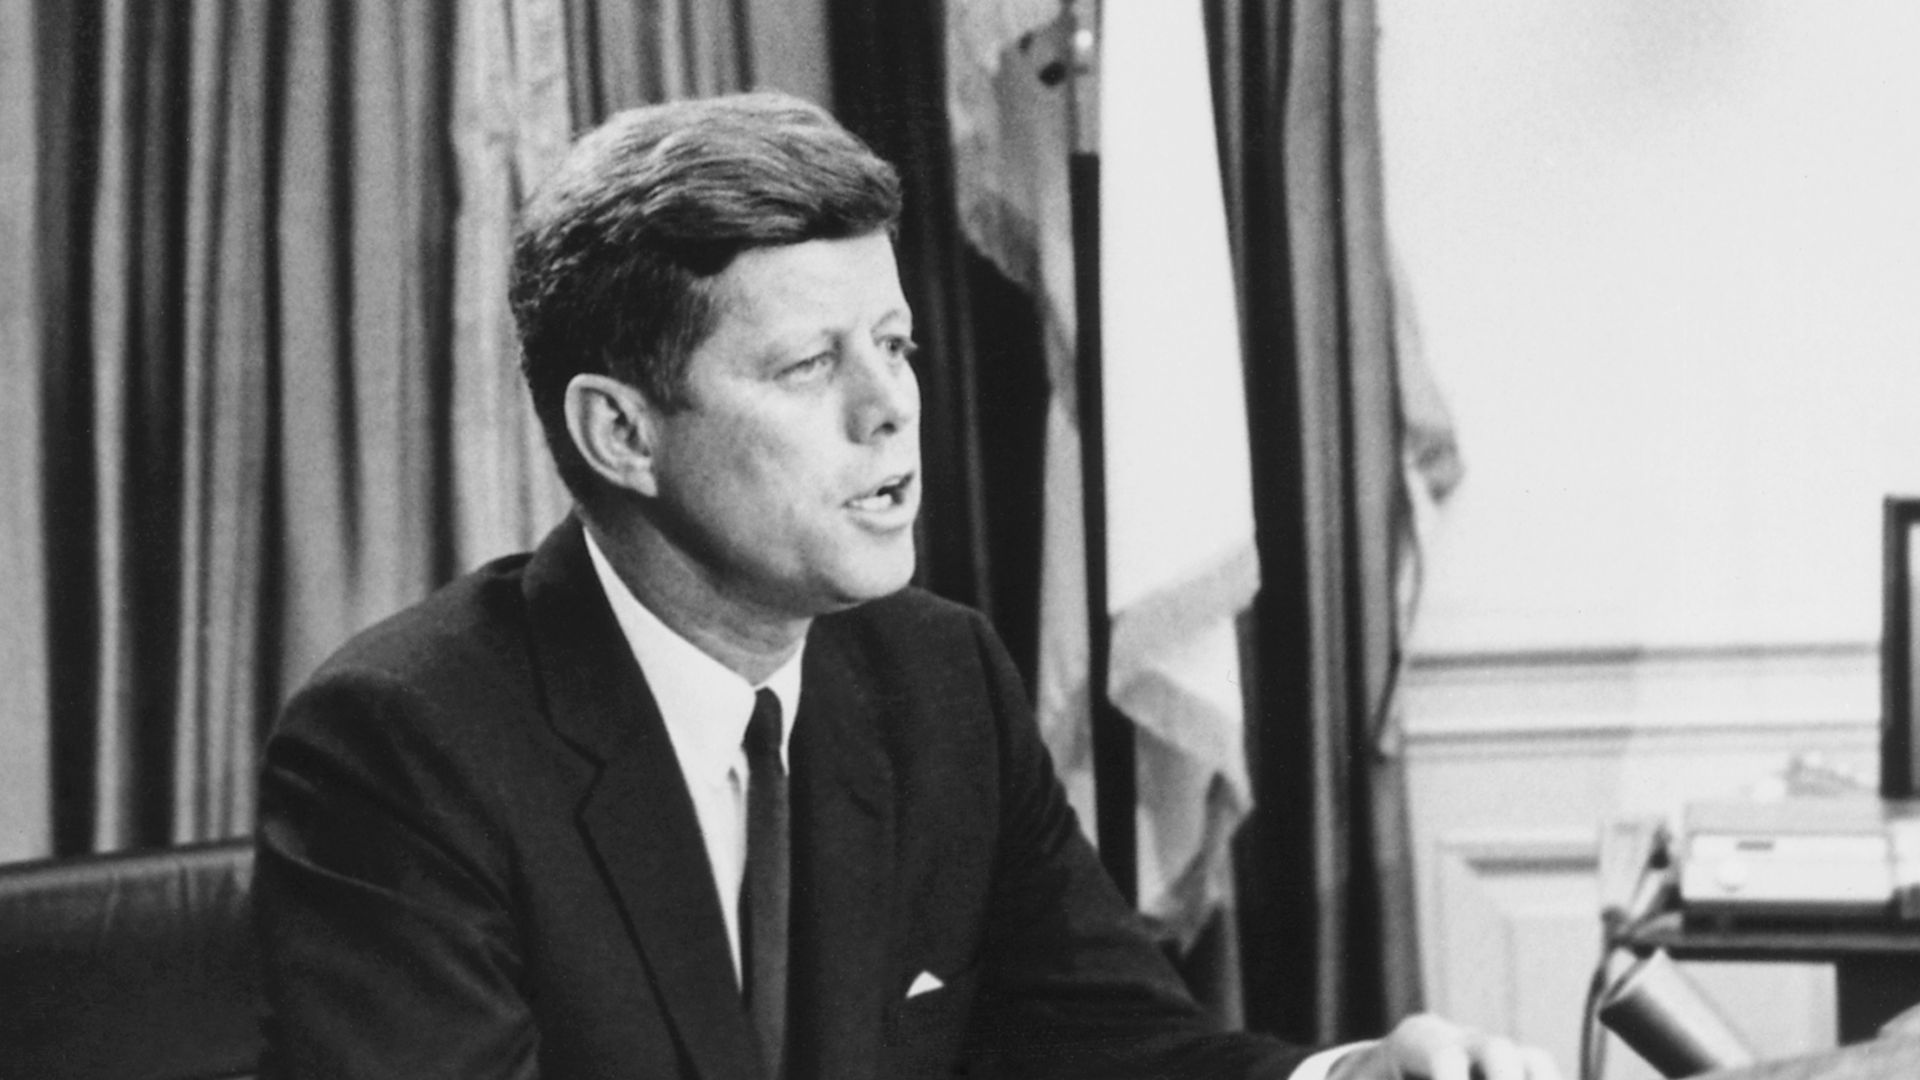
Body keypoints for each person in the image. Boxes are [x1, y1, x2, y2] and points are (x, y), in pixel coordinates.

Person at [254, 91, 1560, 1080]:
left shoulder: (940, 680)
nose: (893, 413)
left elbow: (1113, 1050)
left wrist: (1354, 1078)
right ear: (621, 434)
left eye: (897, 345)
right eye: (808, 366)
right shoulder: (403, 745)